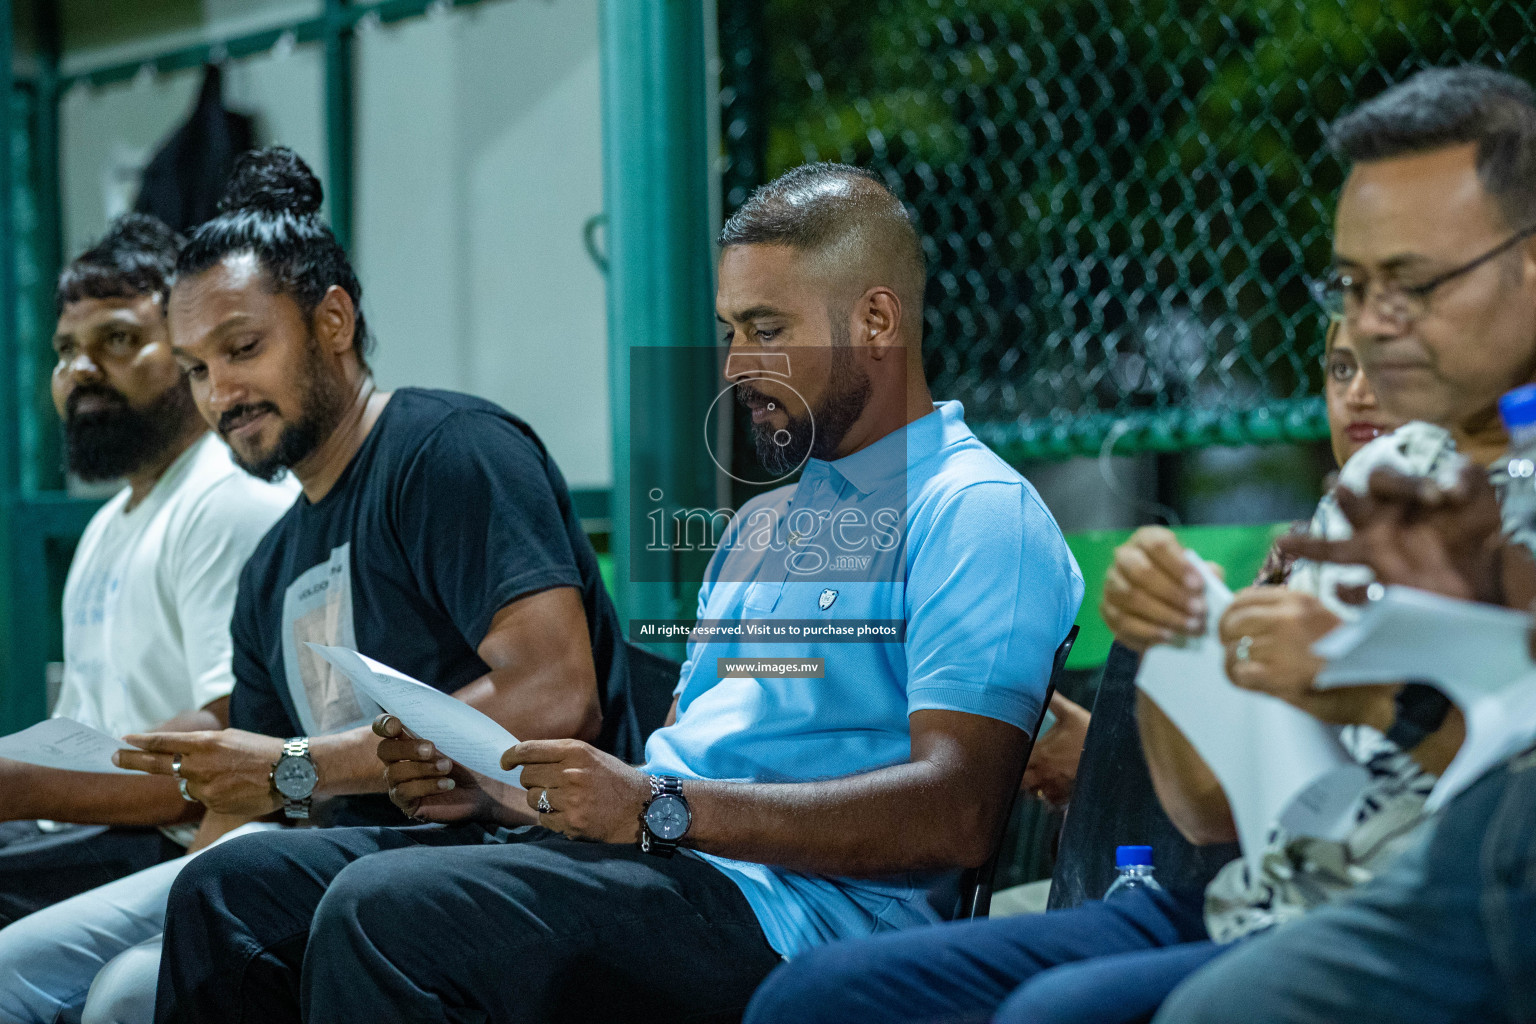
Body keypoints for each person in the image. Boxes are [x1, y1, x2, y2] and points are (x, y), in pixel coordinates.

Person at [151, 161, 1084, 1024]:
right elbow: (695, 752)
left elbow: (958, 812)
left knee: (385, 908)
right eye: (728, 332)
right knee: (234, 890)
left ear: (877, 322)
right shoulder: (766, 525)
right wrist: (499, 792)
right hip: (668, 862)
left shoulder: (975, 511)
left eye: (767, 329)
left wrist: (658, 806)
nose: (732, 365)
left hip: (799, 920)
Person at [0, 145, 633, 1024]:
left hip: (509, 849)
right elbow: (256, 788)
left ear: (333, 320)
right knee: (25, 966)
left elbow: (557, 692)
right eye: (197, 368)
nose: (222, 391)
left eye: (244, 348)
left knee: (156, 958)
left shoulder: (447, 450)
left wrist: (299, 768)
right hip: (339, 852)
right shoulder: (273, 563)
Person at [741, 314, 1409, 1024]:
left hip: (1351, 910)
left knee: (1053, 1010)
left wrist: (1340, 678)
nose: (1360, 394)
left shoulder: (977, 508)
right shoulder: (1315, 545)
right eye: (1341, 369)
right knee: (812, 995)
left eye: (1391, 365)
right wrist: (1168, 649)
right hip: (1238, 893)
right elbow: (1207, 807)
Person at [1151, 64, 1536, 1024]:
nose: (1371, 326)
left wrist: (1371, 686)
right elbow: (1210, 808)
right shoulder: (1403, 478)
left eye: (1410, 284)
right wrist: (1176, 638)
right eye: (1353, 286)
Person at [0, 213, 296, 932]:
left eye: (120, 340)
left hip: (175, 846)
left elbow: (231, 749)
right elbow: (80, 735)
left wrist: (17, 787)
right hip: (82, 833)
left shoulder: (226, 497)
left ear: (193, 353)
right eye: (67, 349)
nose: (82, 371)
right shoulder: (111, 525)